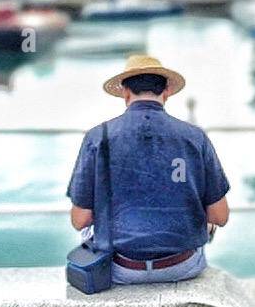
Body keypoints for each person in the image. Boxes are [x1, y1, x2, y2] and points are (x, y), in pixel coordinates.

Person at [66, 54, 230, 284]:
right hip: (182, 266)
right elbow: (219, 216)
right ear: (167, 92)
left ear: (125, 92)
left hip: (123, 268)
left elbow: (80, 219)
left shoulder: (98, 137)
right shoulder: (195, 137)